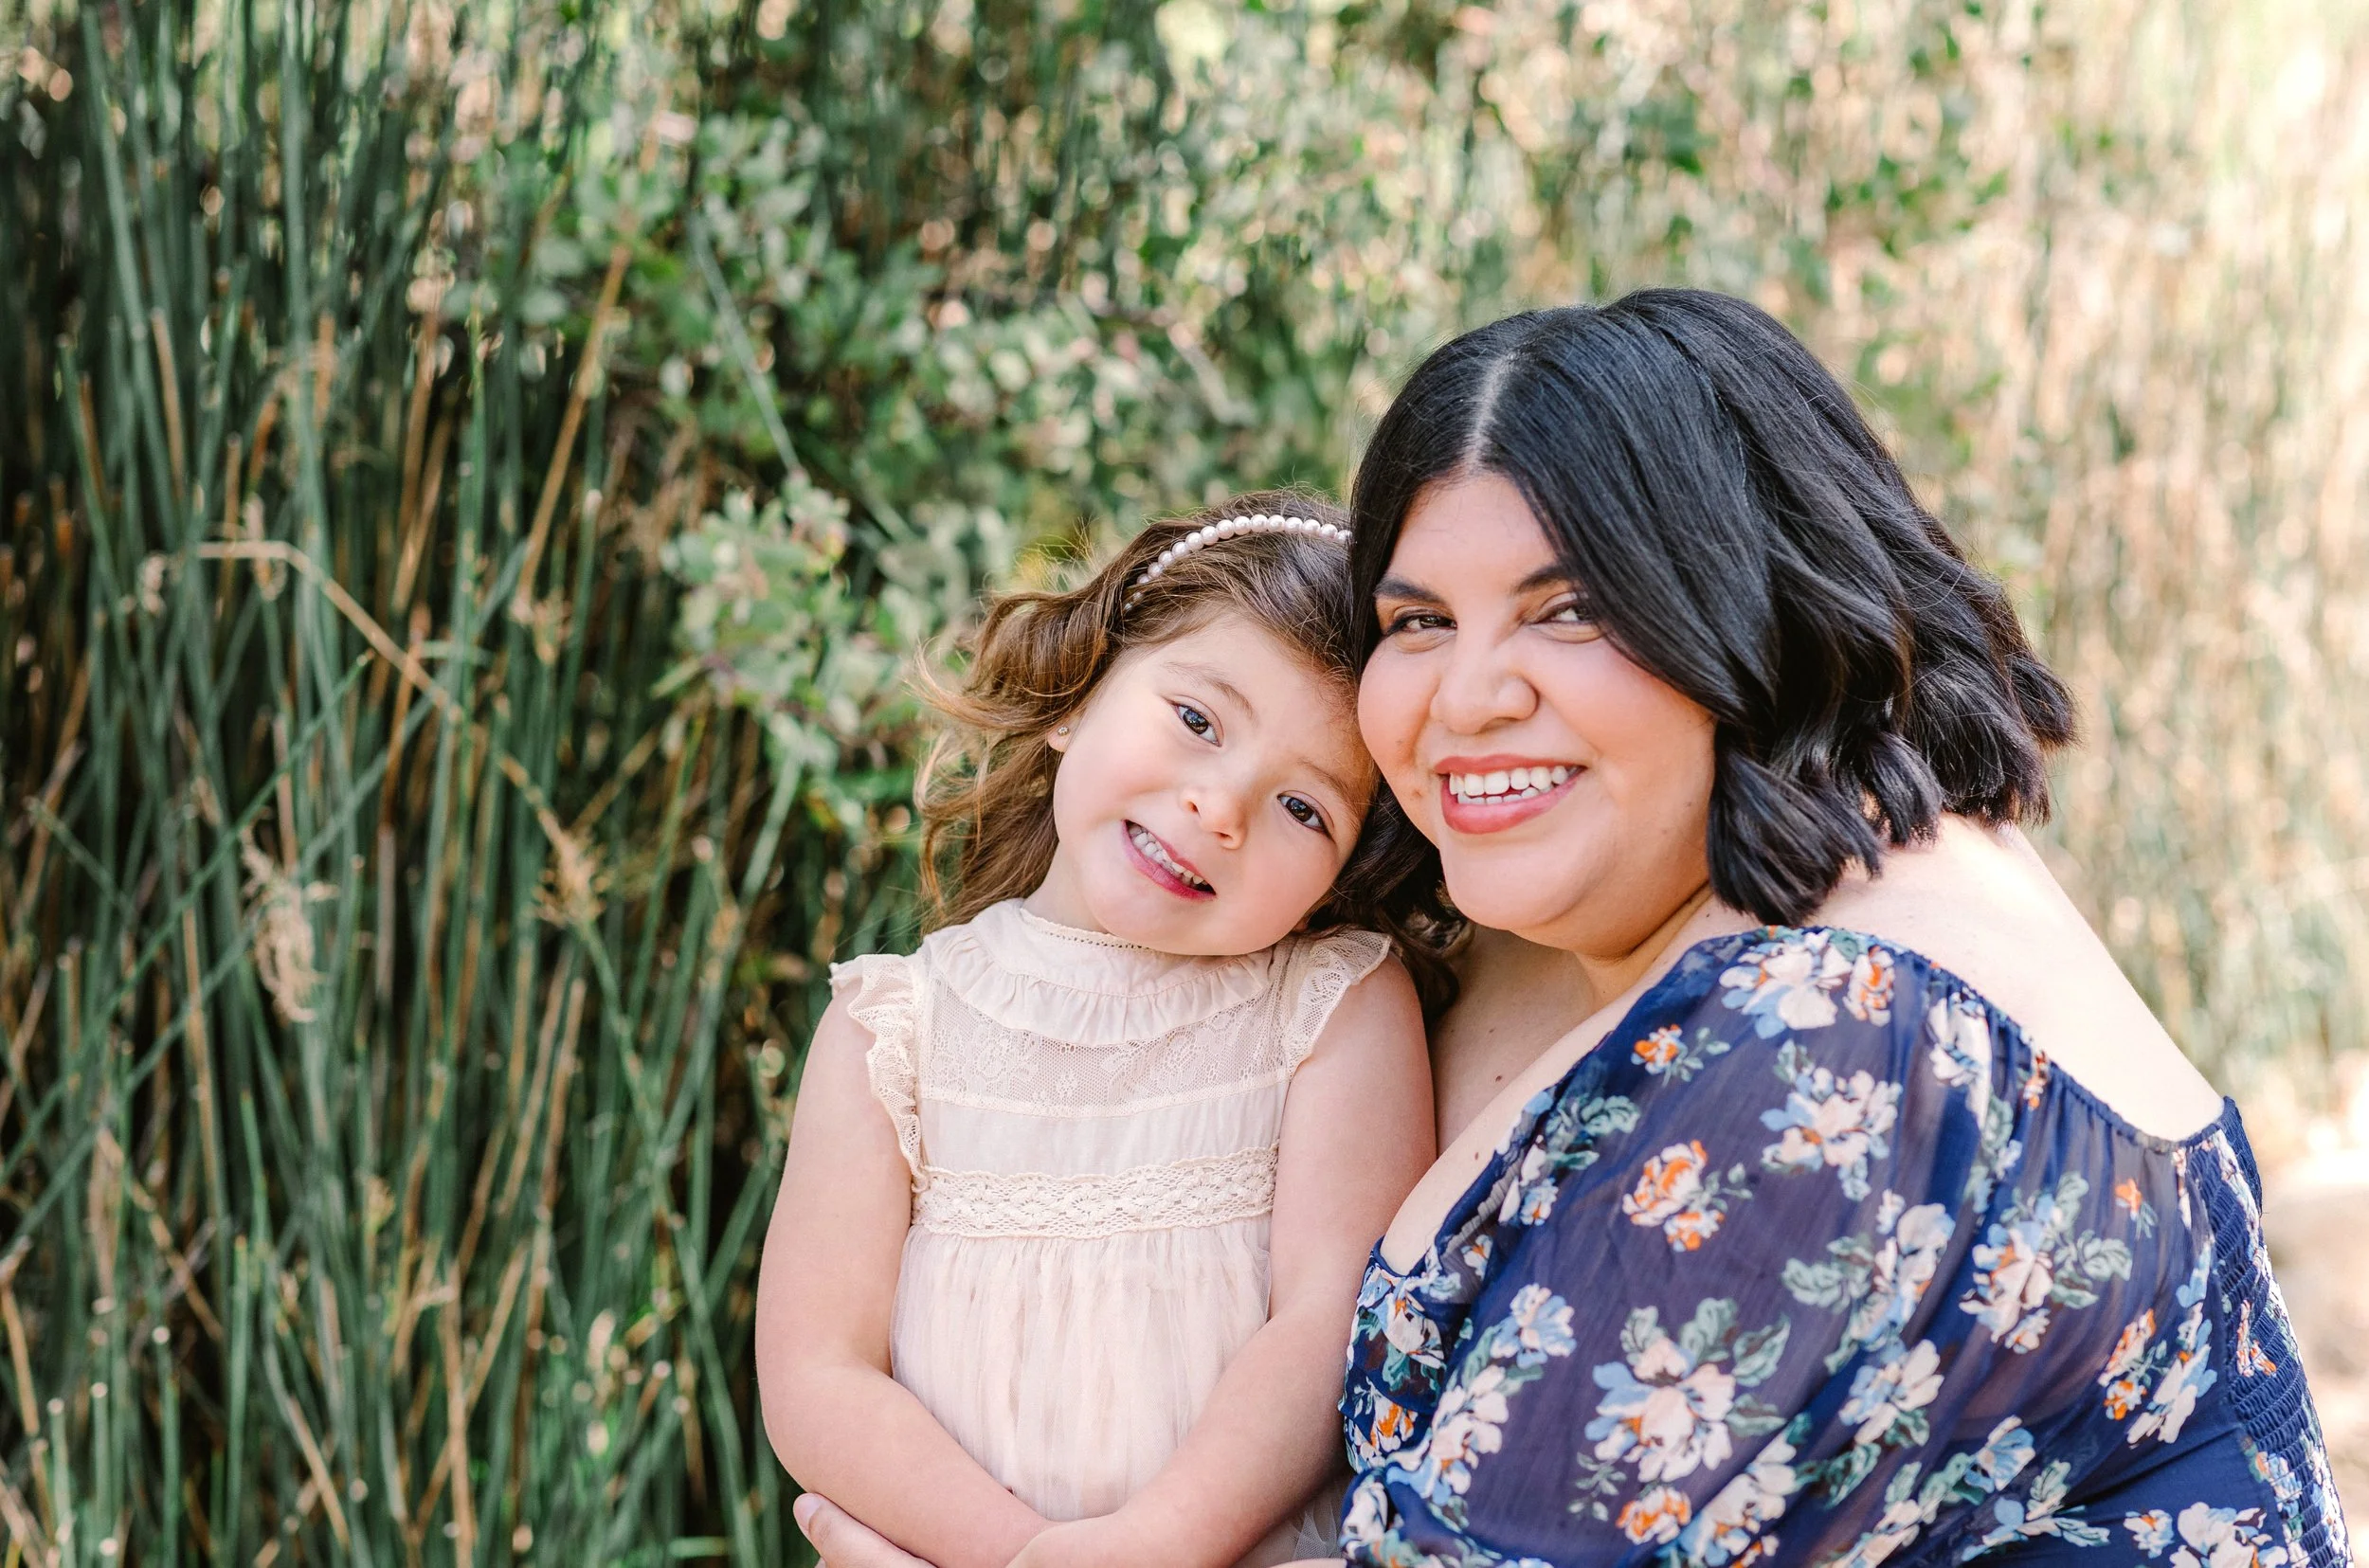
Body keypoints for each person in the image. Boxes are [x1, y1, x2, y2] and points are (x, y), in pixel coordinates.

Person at [790, 289, 2351, 1568]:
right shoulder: (1768, 904)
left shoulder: (1831, 1044)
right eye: (1420, 622)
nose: (1468, 697)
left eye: (1570, 609)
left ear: (1746, 600)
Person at [755, 494, 1445, 1568]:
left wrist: (1148, 1546)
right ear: (1079, 691)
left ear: (1339, 872)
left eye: (1304, 807)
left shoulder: (1334, 1007)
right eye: (1198, 719)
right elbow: (816, 1372)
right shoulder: (893, 1030)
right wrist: (1029, 1554)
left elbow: (1326, 1329)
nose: (1221, 807)